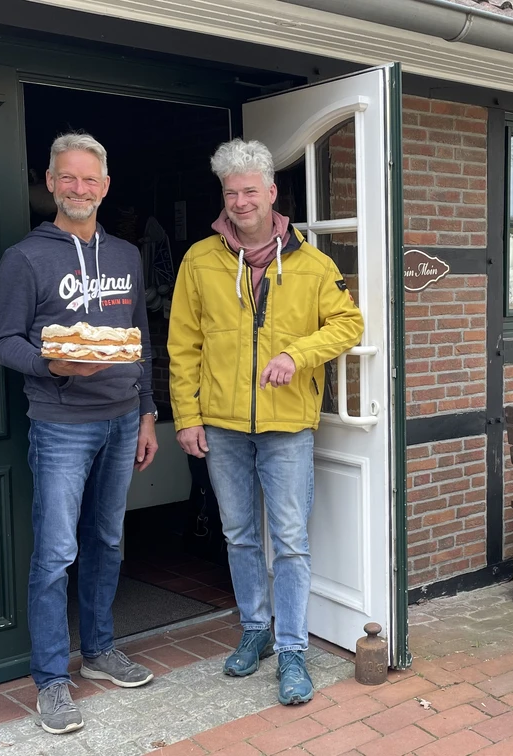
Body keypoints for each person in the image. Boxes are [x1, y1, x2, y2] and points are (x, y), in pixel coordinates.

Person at [167, 138, 364, 705]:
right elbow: (183, 346)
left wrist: (297, 355)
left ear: (272, 192)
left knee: (291, 542)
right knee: (238, 534)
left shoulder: (311, 261)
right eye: (231, 193)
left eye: (250, 190)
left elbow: (348, 324)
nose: (240, 202)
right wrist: (187, 417)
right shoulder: (199, 261)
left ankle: (294, 649)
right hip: (222, 426)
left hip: (286, 427)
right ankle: (255, 630)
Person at [0, 132, 158, 735]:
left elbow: (139, 339)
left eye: (90, 179)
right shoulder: (26, 258)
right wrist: (51, 365)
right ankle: (52, 680)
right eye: (68, 178)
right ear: (51, 183)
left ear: (105, 186)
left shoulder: (127, 257)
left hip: (120, 419)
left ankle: (101, 650)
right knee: (58, 551)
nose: (79, 188)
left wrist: (146, 413)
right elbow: (4, 342)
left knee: (108, 541)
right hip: (61, 424)